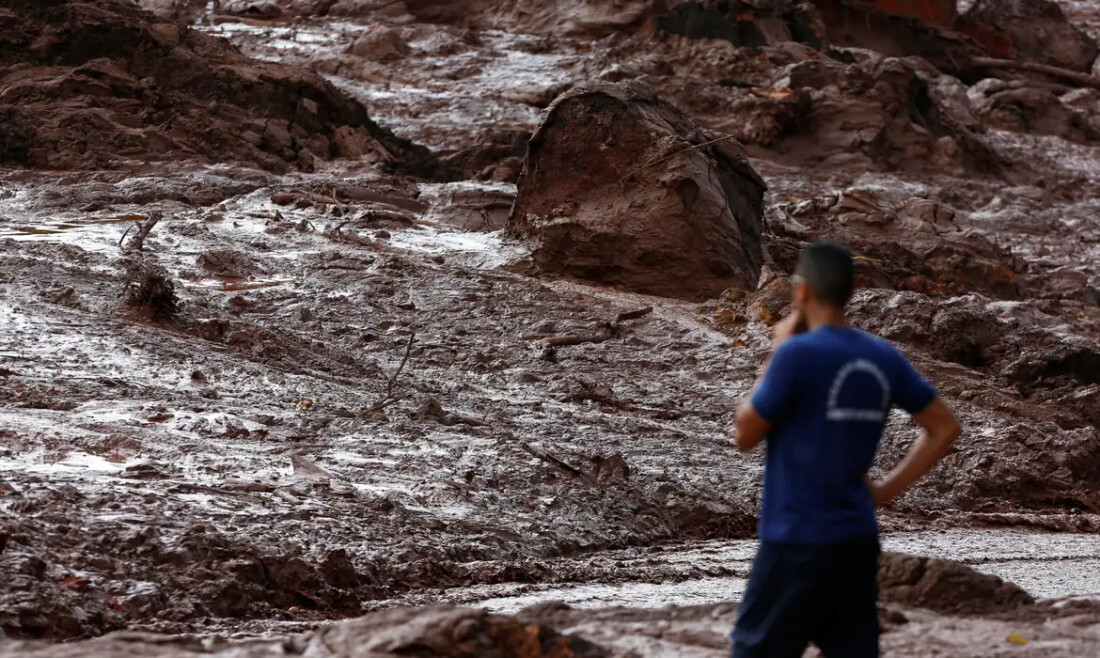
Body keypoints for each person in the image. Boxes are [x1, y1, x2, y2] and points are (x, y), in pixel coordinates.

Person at [730, 240, 962, 658]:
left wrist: (777, 352)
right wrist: (883, 492)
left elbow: (745, 434)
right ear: (850, 292)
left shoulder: (796, 353)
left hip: (795, 536)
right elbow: (944, 428)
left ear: (801, 291)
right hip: (856, 538)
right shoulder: (882, 355)